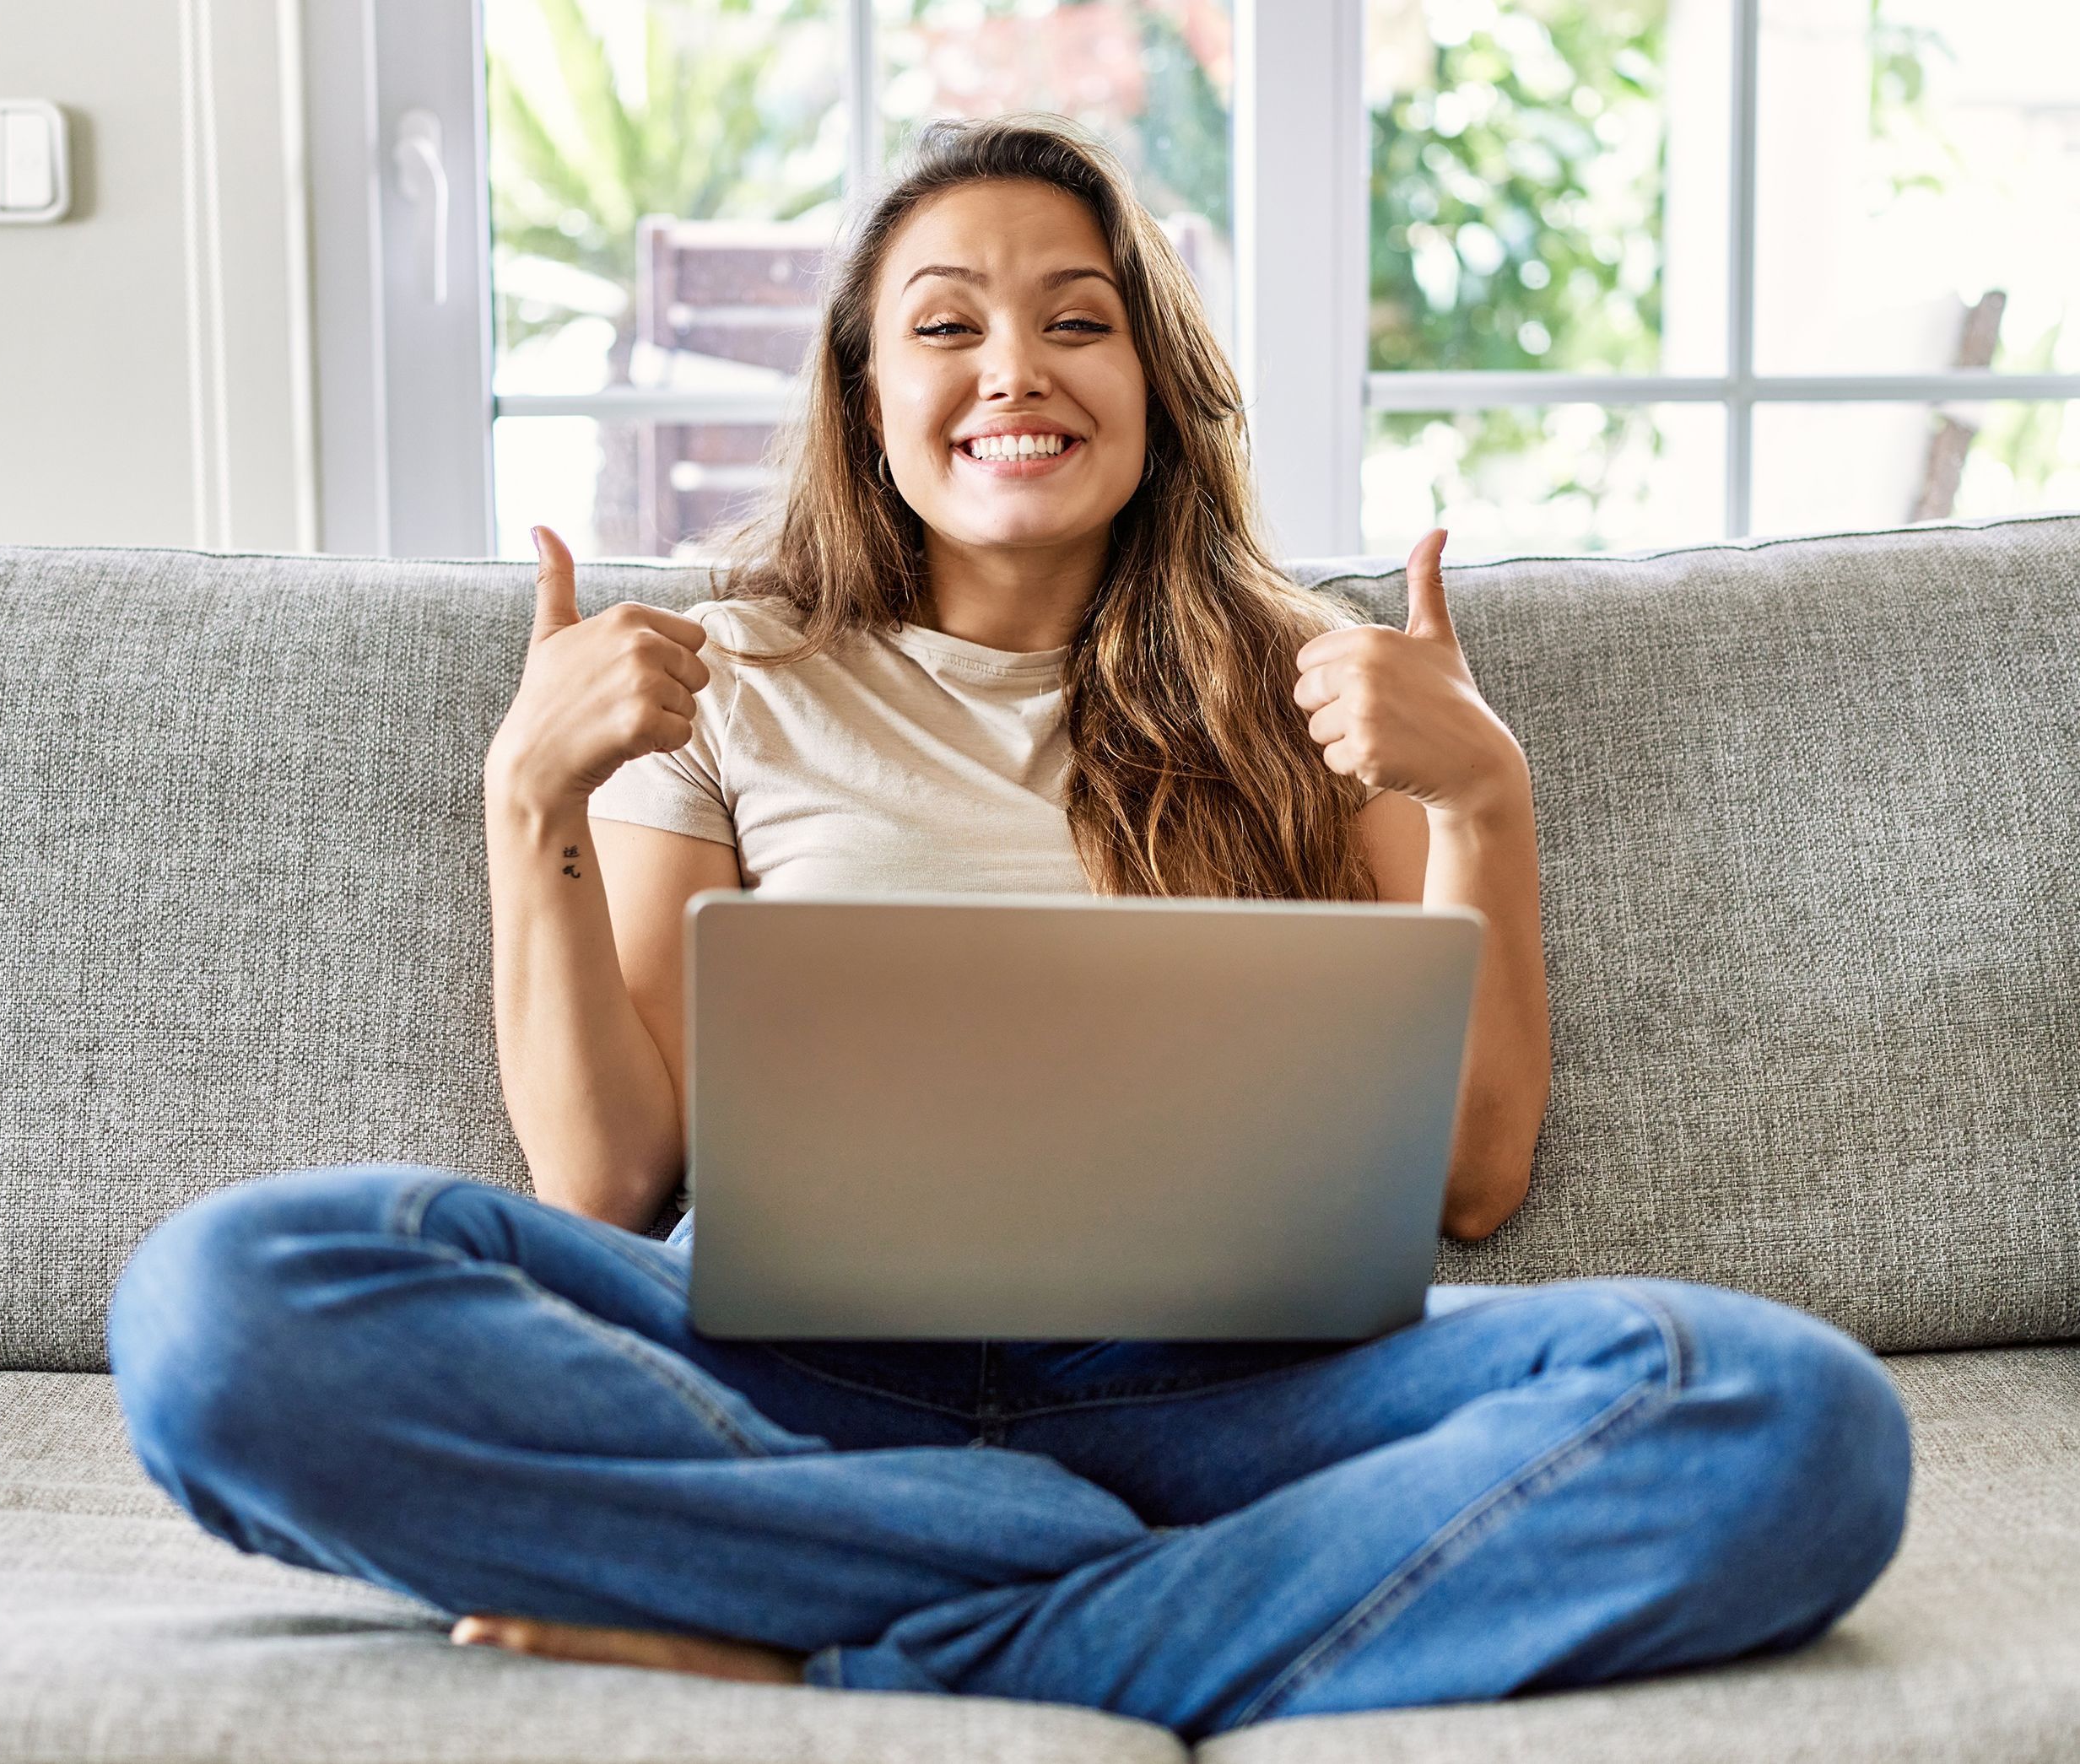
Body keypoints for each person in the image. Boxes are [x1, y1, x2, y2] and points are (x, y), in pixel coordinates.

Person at [106, 115, 1910, 1742]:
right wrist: (528, 803)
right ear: (863, 389)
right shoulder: (724, 673)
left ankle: (864, 1638)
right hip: (790, 1387)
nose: (1010, 370)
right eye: (945, 323)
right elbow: (607, 1177)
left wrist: (1481, 795)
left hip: (1232, 1396)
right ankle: (1070, 1565)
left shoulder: (1316, 685)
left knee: (1779, 1411)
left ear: (1148, 370)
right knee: (221, 1302)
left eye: (1073, 316)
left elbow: (1468, 1178)